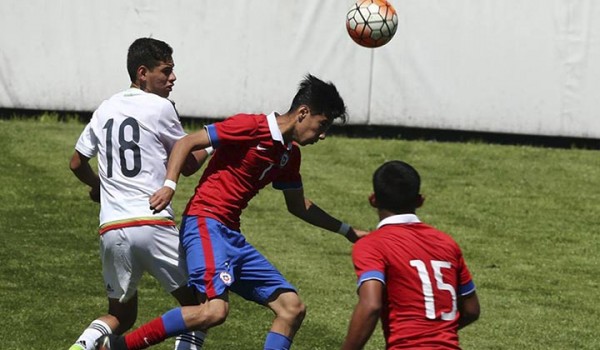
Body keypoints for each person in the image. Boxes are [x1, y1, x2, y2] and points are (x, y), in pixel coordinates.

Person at [94, 74, 369, 350]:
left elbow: (298, 206)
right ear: (303, 113)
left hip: (231, 236)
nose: (322, 135)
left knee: (292, 307)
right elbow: (186, 143)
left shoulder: (289, 154)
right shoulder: (251, 126)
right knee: (213, 311)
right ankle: (118, 347)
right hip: (205, 223)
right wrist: (169, 186)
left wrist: (347, 231)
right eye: (322, 125)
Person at [69, 37, 211, 350]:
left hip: (112, 228)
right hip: (151, 221)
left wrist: (97, 185)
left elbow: (76, 161)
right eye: (167, 71)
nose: (173, 78)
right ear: (143, 72)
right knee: (202, 306)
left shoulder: (106, 107)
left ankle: (80, 347)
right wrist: (213, 141)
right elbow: (187, 164)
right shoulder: (160, 107)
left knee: (120, 314)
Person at [341, 160, 480, 350]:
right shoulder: (447, 243)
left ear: (373, 199)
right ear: (420, 201)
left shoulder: (372, 244)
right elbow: (471, 310)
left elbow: (371, 305)